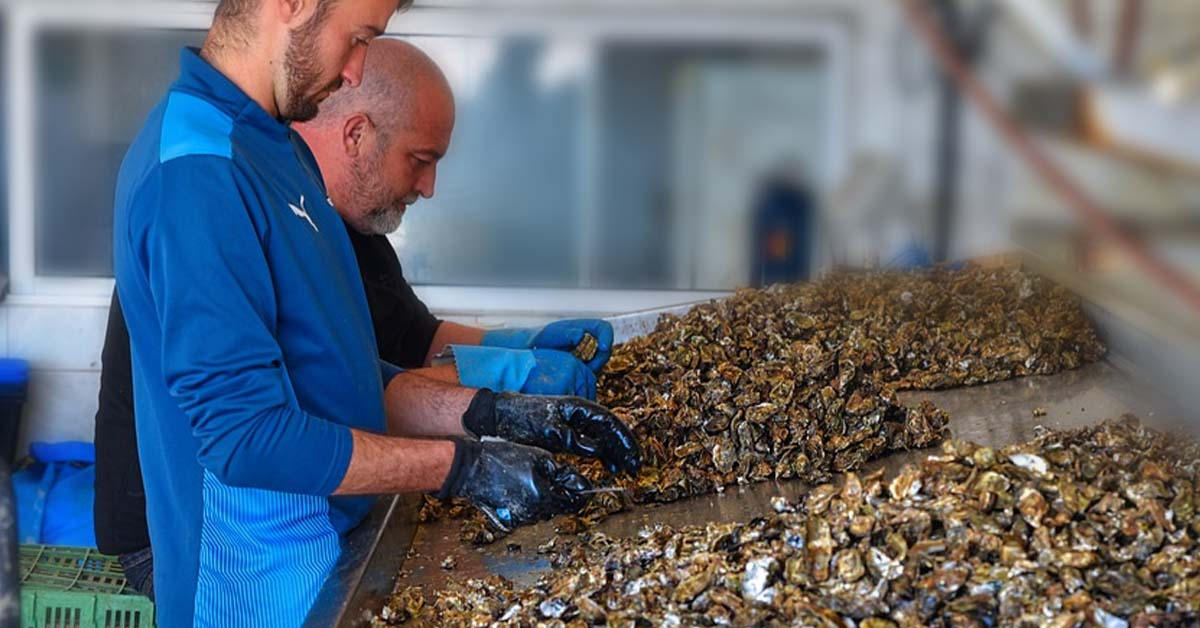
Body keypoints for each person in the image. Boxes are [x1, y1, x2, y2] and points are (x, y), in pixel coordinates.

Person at [107, 1, 639, 624]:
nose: (356, 70)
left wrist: (500, 413)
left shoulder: (277, 149)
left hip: (331, 556)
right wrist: (461, 468)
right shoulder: (197, 175)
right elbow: (245, 437)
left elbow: (339, 380)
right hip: (255, 593)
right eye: (358, 38)